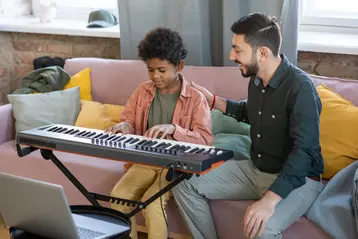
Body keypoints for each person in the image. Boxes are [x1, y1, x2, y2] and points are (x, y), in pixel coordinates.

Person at [172, 12, 324, 239]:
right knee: (184, 183)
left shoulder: (300, 88)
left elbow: (305, 151)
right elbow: (251, 114)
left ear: (262, 53)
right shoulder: (257, 79)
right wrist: (213, 100)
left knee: (264, 228)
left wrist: (269, 200)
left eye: (237, 49)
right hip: (256, 171)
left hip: (298, 181)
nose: (231, 55)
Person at [105, 27, 213, 239]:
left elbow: (205, 140)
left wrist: (174, 129)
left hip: (176, 166)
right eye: (150, 70)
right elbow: (128, 120)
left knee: (152, 202)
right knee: (118, 197)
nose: (155, 76)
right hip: (146, 161)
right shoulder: (142, 91)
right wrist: (124, 127)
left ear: (179, 66)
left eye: (162, 70)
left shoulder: (196, 98)